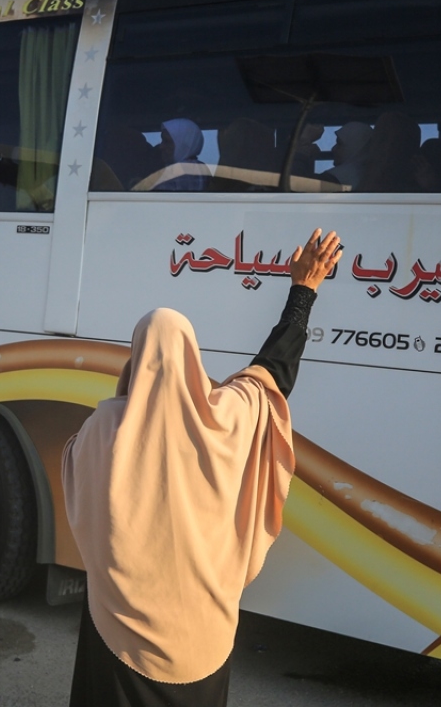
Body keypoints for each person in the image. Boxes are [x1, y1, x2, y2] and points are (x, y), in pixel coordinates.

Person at [62, 229, 343, 707]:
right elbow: (273, 374)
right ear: (192, 356)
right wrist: (304, 290)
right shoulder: (226, 419)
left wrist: (124, 416)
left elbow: (74, 471)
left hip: (118, 638)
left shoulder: (104, 427)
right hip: (202, 642)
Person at [149, 118, 211, 192]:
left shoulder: (185, 169)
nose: (161, 147)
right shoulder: (198, 168)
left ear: (184, 145)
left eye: (167, 141)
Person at [320, 121, 373, 188]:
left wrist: (305, 153)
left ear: (353, 148)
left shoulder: (337, 177)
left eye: (339, 144)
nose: (333, 149)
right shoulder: (371, 177)